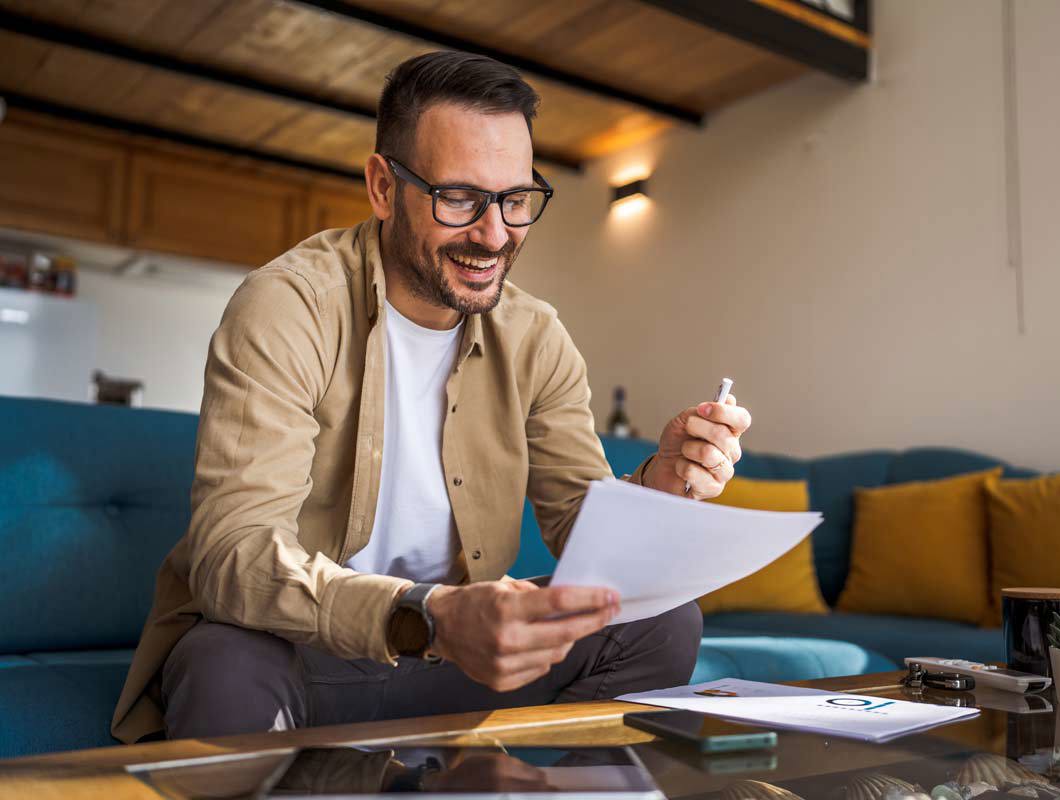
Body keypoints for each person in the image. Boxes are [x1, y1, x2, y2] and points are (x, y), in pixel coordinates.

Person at [111, 50, 752, 744]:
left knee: (661, 621)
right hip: (306, 651)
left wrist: (657, 486)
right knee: (222, 664)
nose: (494, 233)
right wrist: (432, 615)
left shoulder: (536, 336)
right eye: (459, 198)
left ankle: (494, 783)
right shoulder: (288, 306)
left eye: (514, 199)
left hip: (456, 658)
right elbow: (233, 554)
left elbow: (584, 535)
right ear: (384, 188)